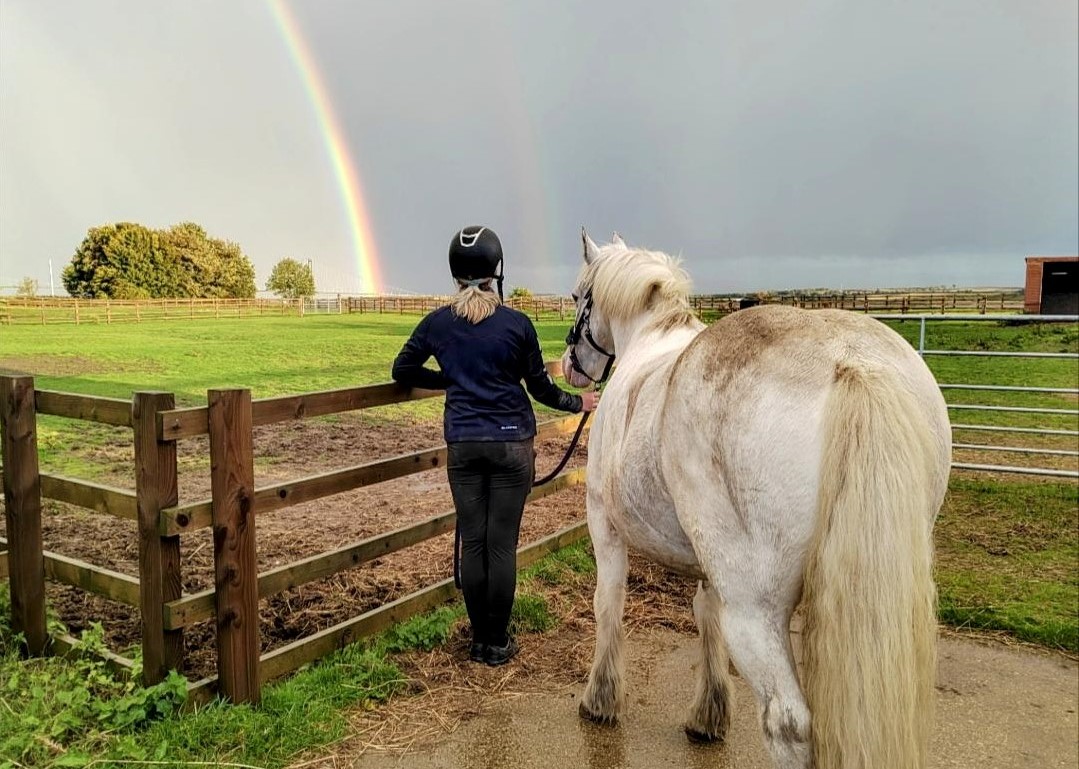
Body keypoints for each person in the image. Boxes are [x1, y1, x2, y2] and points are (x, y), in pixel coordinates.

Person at [392, 225, 599, 666]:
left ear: (454, 273)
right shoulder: (516, 324)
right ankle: (498, 644)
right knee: (502, 545)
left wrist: (445, 379)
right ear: (496, 272)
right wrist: (578, 401)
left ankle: (477, 638)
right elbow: (540, 388)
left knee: (474, 543)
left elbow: (402, 368)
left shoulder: (437, 323)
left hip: (464, 446)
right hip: (510, 447)